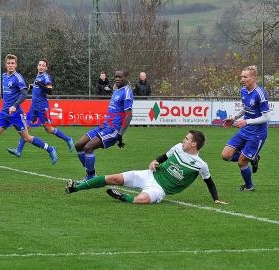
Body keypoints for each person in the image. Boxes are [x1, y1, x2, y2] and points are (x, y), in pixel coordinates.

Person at [65, 130, 227, 205]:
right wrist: (153, 161)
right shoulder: (177, 147)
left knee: (141, 200)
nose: (183, 140)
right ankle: (76, 188)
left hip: (160, 188)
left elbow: (209, 182)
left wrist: (216, 199)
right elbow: (164, 156)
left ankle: (123, 197)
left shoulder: (200, 165)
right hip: (149, 174)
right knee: (113, 178)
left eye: (186, 139)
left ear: (194, 144)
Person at [0, 54, 58, 170]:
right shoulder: (4, 76)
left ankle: (50, 149)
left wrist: (15, 106)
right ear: (5, 65)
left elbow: (24, 94)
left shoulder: (18, 78)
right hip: (4, 113)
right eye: (8, 63)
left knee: (27, 138)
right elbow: (7, 91)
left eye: (12, 63)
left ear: (16, 65)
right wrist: (0, 96)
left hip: (16, 113)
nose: (10, 65)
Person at [6, 59, 75, 157]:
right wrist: (33, 86)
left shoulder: (46, 77)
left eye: (43, 65)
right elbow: (39, 88)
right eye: (39, 65)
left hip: (42, 108)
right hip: (34, 107)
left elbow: (50, 91)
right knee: (26, 129)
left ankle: (68, 139)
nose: (41, 67)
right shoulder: (38, 76)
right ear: (37, 66)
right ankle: (18, 150)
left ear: (46, 68)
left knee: (49, 129)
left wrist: (39, 84)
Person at [74, 69, 133, 182]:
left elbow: (129, 115)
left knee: (88, 147)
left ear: (126, 77)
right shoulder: (116, 90)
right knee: (79, 145)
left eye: (120, 77)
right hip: (104, 125)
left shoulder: (127, 92)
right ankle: (90, 173)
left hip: (113, 129)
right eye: (115, 76)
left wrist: (120, 134)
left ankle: (90, 177)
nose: (116, 79)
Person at [222, 65, 270, 191]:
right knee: (226, 155)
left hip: (257, 133)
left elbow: (266, 118)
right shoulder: (243, 90)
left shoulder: (260, 93)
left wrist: (247, 122)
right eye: (241, 76)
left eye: (245, 77)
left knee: (242, 162)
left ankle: (249, 186)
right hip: (245, 130)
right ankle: (252, 157)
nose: (242, 79)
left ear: (254, 78)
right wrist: (234, 117)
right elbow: (246, 108)